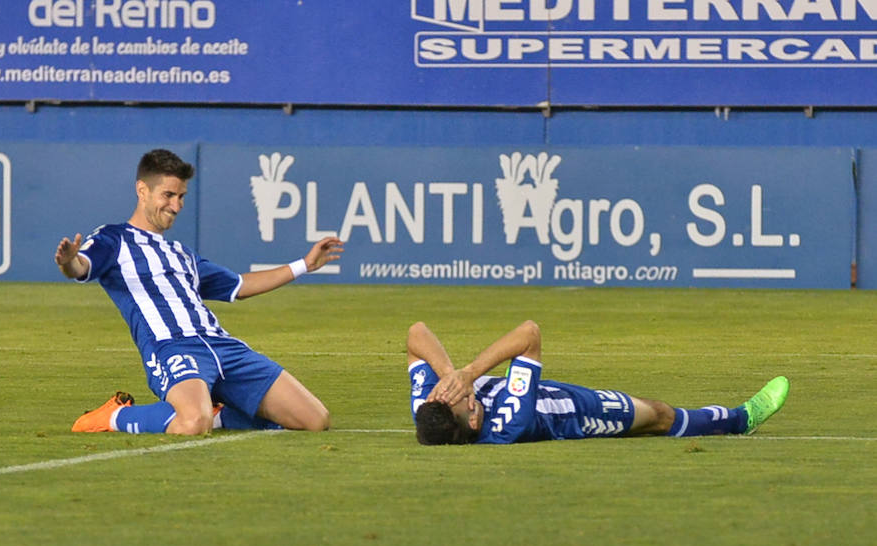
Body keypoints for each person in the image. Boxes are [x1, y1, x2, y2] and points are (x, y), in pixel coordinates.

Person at [56, 148, 343, 435]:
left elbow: (240, 286)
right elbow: (82, 267)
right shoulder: (114, 239)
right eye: (168, 195)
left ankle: (217, 413)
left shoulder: (182, 254)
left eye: (181, 197)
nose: (176, 205)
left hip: (223, 347)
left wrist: (304, 264)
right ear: (142, 190)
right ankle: (114, 417)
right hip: (172, 347)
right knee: (193, 423)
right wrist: (70, 261)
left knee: (315, 421)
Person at [407, 320, 788, 445]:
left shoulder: (431, 412)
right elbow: (529, 333)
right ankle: (741, 419)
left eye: (444, 390)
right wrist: (469, 374)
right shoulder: (509, 420)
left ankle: (736, 419)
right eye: (457, 396)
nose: (451, 389)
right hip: (578, 413)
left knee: (657, 414)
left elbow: (416, 334)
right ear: (474, 420)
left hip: (545, 392)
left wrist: (447, 376)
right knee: (659, 415)